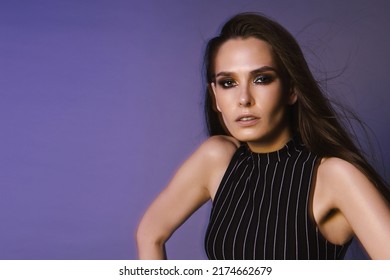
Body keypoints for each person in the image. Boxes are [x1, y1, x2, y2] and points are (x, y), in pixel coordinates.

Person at [136, 12, 390, 260]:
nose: (244, 99)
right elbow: (149, 234)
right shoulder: (216, 159)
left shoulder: (333, 176)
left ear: (291, 89)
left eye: (261, 79)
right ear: (215, 97)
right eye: (228, 83)